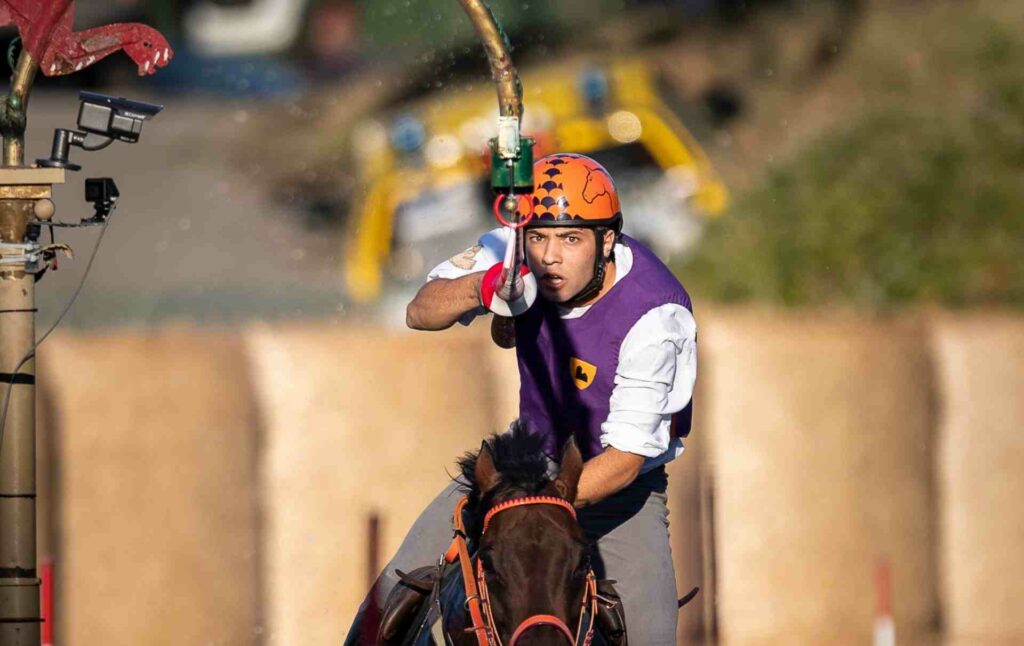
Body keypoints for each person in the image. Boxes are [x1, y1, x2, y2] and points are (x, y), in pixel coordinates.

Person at [347, 153, 697, 645]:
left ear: (607, 240)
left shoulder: (657, 316)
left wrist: (535, 506)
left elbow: (624, 460)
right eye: (539, 237)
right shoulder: (514, 253)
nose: (550, 256)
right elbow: (419, 311)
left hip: (621, 495)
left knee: (650, 637)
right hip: (519, 470)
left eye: (570, 239)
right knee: (379, 613)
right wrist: (484, 286)